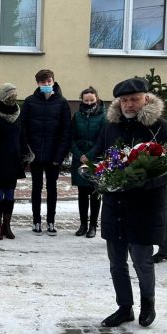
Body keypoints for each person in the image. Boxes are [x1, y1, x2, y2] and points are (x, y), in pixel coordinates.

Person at [92, 78, 167, 328]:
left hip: (145, 206)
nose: (129, 104)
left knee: (142, 260)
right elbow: (101, 156)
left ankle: (148, 304)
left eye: (134, 99)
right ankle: (124, 307)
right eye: (124, 100)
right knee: (116, 263)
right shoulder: (111, 126)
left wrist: (145, 182)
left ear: (146, 98)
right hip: (115, 204)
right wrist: (94, 173)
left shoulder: (160, 127)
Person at [21, 69, 72, 236]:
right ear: (38, 84)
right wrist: (26, 152)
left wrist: (60, 155)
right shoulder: (29, 102)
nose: (47, 84)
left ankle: (51, 221)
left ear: (53, 81)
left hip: (53, 155)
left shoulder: (62, 102)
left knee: (52, 188)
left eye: (49, 81)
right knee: (36, 188)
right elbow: (23, 129)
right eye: (43, 82)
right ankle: (36, 220)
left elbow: (66, 131)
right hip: (35, 153)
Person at [0, 83, 33, 240]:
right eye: (10, 96)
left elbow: (22, 135)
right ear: (3, 96)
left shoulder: (17, 111)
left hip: (13, 159)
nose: (13, 98)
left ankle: (7, 226)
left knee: (10, 193)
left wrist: (26, 153)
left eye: (15, 96)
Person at [71, 87, 107, 238]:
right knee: (82, 194)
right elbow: (70, 137)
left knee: (95, 193)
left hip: (96, 159)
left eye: (91, 100)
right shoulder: (77, 116)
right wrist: (79, 154)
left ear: (97, 99)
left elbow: (103, 139)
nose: (89, 102)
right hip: (79, 158)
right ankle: (83, 224)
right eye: (86, 100)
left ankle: (93, 225)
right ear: (82, 100)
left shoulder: (104, 117)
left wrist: (90, 155)